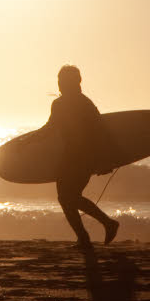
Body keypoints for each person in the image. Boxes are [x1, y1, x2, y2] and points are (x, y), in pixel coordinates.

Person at [46, 64, 121, 250]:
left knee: (68, 196)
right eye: (59, 81)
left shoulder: (83, 104)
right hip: (70, 157)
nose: (60, 85)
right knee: (66, 198)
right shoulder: (60, 104)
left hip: (84, 157)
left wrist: (106, 160)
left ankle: (100, 228)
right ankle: (89, 235)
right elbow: (50, 128)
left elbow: (101, 131)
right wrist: (27, 141)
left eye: (63, 81)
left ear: (76, 82)